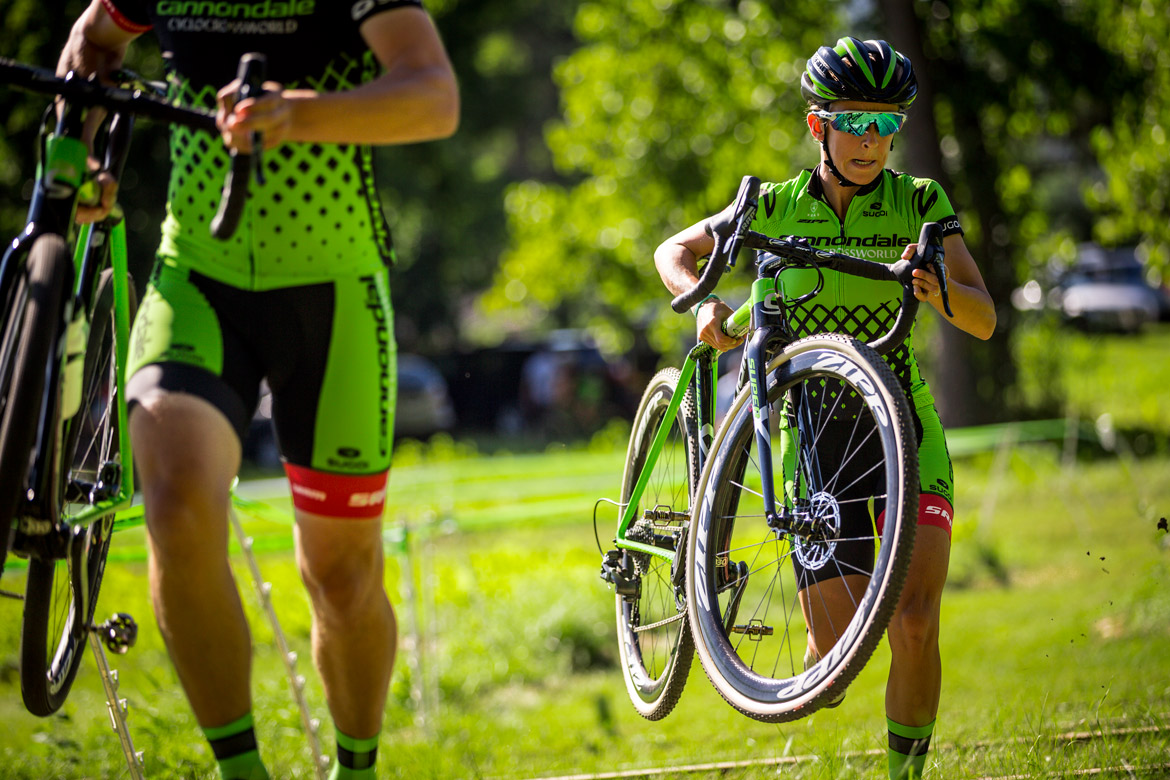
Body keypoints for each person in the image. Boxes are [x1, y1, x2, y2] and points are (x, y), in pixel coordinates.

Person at [58, 1, 458, 778]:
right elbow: (92, 42)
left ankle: (357, 767)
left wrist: (297, 116)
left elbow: (433, 95)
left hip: (334, 292)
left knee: (340, 576)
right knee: (174, 504)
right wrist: (78, 156)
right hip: (196, 280)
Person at [653, 37, 995, 780]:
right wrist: (703, 301)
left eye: (886, 124)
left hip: (903, 419)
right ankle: (818, 636)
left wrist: (939, 289)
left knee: (914, 619)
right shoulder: (773, 204)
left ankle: (907, 773)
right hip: (817, 435)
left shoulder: (921, 203)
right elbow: (670, 252)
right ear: (819, 127)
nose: (872, 141)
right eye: (855, 123)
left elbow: (983, 317)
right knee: (829, 669)